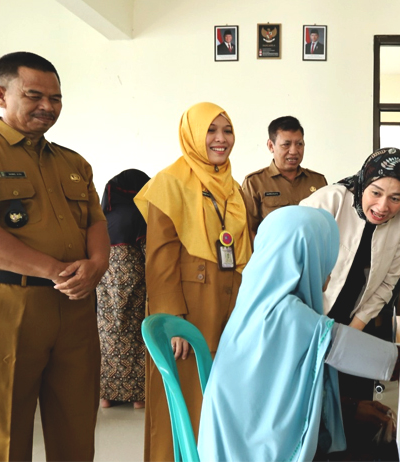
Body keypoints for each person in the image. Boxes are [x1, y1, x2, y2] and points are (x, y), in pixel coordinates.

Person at [197, 206, 400, 462]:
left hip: (232, 445)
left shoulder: (254, 302)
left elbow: (278, 391)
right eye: (327, 258)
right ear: (306, 258)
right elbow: (387, 363)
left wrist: (350, 408)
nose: (330, 271)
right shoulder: (290, 317)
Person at [0, 51, 107, 460]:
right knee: (1, 438)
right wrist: (55, 271)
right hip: (1, 305)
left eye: (55, 98)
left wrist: (96, 265)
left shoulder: (73, 162)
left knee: (77, 432)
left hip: (73, 308)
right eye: (34, 95)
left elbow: (96, 223)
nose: (47, 106)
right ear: (0, 95)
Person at [135, 102, 251, 461]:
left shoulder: (233, 187)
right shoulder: (169, 183)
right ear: (192, 134)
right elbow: (159, 260)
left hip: (228, 310)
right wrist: (173, 322)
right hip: (189, 314)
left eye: (227, 130)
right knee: (184, 407)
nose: (221, 139)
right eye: (210, 130)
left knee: (218, 404)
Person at [300, 147, 400, 331]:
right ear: (364, 181)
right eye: (376, 193)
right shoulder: (329, 200)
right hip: (305, 314)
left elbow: (388, 282)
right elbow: (294, 265)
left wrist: (352, 330)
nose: (382, 207)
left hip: (355, 315)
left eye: (395, 198)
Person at [96, 168, 151, 410]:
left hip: (104, 284)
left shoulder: (102, 217)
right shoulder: (140, 213)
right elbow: (151, 253)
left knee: (107, 333)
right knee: (136, 333)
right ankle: (138, 397)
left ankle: (106, 396)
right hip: (134, 283)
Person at [242, 116, 327, 247]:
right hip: (273, 256)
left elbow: (326, 226)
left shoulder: (318, 181)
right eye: (286, 145)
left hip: (312, 256)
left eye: (299, 144)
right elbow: (249, 230)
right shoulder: (255, 183)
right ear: (271, 146)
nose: (294, 151)